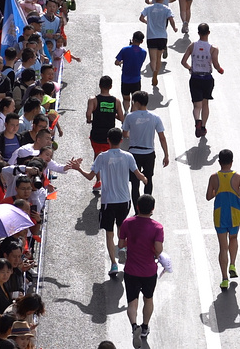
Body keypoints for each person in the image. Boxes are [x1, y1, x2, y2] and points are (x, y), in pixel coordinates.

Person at [73, 128, 147, 275]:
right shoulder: (128, 156)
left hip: (108, 202)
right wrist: (145, 179)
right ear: (121, 140)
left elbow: (90, 177)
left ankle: (113, 264)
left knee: (109, 233)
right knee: (122, 228)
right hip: (124, 201)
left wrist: (78, 168)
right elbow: (138, 175)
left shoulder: (101, 157)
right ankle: (123, 248)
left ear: (108, 140)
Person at [118, 195, 164, 348]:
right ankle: (144, 327)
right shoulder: (157, 227)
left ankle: (134, 327)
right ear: (152, 209)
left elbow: (120, 244)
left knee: (132, 302)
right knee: (148, 299)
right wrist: (157, 255)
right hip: (149, 271)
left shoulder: (127, 223)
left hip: (131, 269)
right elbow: (158, 249)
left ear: (137, 207)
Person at [205, 149, 240, 290]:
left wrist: (218, 190)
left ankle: (224, 278)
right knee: (234, 238)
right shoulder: (238, 177)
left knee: (222, 247)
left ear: (219, 162)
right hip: (235, 213)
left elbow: (208, 196)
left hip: (220, 214)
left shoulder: (214, 177)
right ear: (232, 161)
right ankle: (233, 264)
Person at [122, 91, 169, 212]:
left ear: (136, 103)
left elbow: (125, 134)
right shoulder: (155, 117)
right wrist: (166, 155)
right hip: (149, 153)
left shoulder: (130, 117)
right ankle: (148, 209)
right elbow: (162, 137)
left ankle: (137, 211)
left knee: (135, 183)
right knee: (148, 180)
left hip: (134, 154)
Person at [180, 23, 224, 137]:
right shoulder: (213, 48)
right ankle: (203, 127)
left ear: (198, 33)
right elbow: (215, 64)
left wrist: (190, 68)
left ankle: (197, 121)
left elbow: (183, 62)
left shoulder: (192, 45)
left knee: (196, 105)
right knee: (205, 104)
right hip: (207, 79)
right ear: (208, 33)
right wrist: (220, 70)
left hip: (195, 78)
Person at [86, 76, 124, 191]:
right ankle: (111, 181)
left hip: (97, 134)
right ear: (111, 87)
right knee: (111, 158)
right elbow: (122, 118)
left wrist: (89, 120)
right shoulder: (116, 101)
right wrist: (113, 114)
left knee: (98, 156)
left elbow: (88, 113)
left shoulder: (93, 100)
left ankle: (98, 182)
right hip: (110, 136)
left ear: (99, 85)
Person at [139, 0, 177, 86]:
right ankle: (156, 73)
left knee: (153, 59)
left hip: (151, 36)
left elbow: (141, 18)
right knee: (159, 58)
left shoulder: (148, 8)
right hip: (162, 36)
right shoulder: (166, 9)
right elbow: (171, 19)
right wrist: (174, 28)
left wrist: (146, 22)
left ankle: (154, 73)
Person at [115, 32, 147, 114]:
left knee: (126, 98)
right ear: (142, 41)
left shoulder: (125, 49)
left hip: (125, 79)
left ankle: (126, 112)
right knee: (135, 99)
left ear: (132, 39)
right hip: (136, 79)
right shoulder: (143, 52)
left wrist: (121, 62)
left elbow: (116, 62)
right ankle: (133, 115)